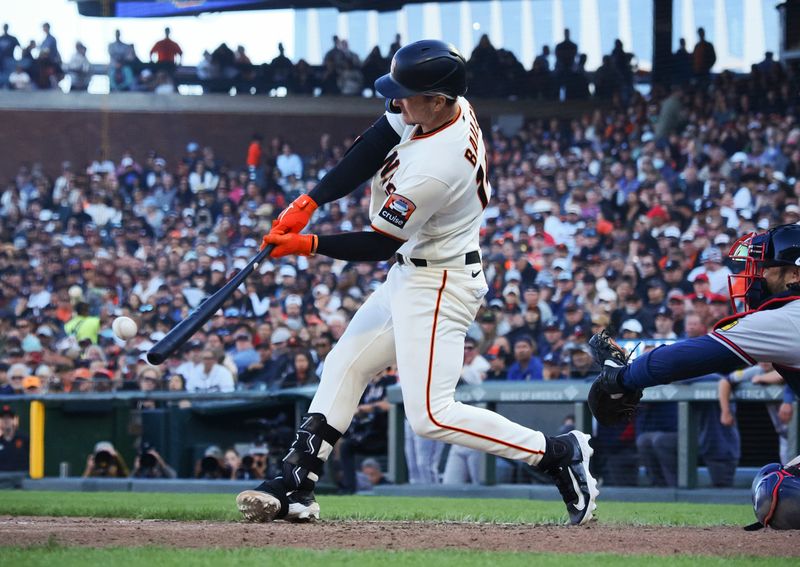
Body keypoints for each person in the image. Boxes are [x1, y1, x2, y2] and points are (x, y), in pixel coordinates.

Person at [237, 39, 597, 526]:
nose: (397, 101)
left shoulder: (437, 165)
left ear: (439, 99)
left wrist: (309, 245)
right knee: (343, 364)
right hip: (412, 271)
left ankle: (557, 454)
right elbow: (374, 143)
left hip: (440, 282)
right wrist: (312, 199)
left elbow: (377, 244)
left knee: (431, 415)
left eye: (408, 94)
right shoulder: (443, 104)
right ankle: (296, 483)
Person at [588, 224, 800, 467]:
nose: (757, 276)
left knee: (775, 489)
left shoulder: (788, 317)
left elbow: (687, 359)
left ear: (795, 274)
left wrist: (623, 377)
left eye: (765, 267)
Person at [0, 404, 28, 472]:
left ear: (14, 420)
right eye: (3, 418)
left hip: (21, 480)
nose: (6, 420)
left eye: (9, 417)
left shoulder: (25, 439)